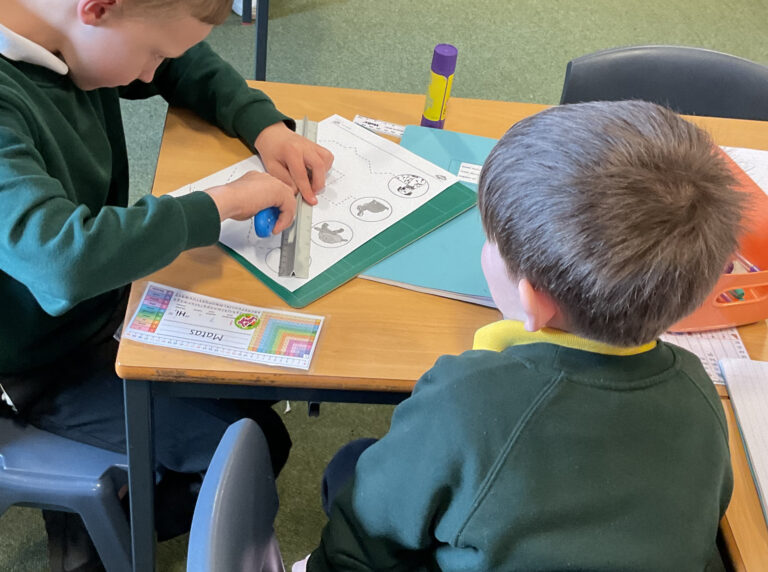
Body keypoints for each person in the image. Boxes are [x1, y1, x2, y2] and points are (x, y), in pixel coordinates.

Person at [300, 100, 742, 571]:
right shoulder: (698, 388)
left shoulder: (465, 399)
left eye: (492, 241)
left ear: (533, 300)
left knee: (351, 468)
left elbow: (362, 539)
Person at [0, 0, 333, 569]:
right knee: (250, 445)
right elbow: (63, 259)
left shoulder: (72, 37)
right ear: (97, 10)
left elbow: (181, 59)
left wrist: (264, 126)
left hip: (105, 304)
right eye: (151, 54)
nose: (154, 73)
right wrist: (216, 206)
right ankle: (91, 534)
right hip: (36, 362)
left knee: (256, 388)